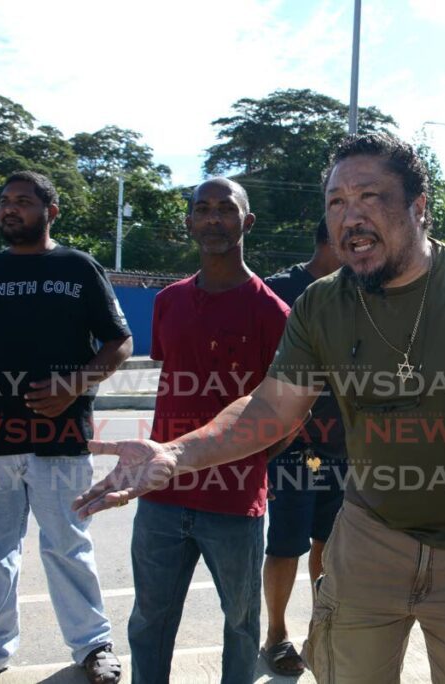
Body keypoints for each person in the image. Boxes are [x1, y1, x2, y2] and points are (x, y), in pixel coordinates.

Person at [73, 133, 445, 684]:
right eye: (336, 202)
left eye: (369, 197)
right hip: (367, 541)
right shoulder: (321, 305)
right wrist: (174, 453)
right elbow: (271, 408)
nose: (349, 216)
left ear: (419, 207)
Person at [0, 171, 131, 684]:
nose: (9, 210)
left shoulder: (79, 268)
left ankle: (93, 647)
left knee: (68, 544)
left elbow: (119, 342)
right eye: (4, 202)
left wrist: (75, 384)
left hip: (61, 440)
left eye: (22, 201)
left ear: (52, 211)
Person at [126, 178, 290, 684]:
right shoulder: (169, 302)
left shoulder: (274, 313)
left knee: (240, 625)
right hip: (161, 492)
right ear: (189, 222)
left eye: (226, 209)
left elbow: (286, 415)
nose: (213, 219)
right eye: (203, 209)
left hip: (234, 503)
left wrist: (249, 460)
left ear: (247, 221)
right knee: (149, 622)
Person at [260, 217, 347, 677]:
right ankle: (276, 635)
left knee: (332, 544)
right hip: (295, 446)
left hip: (347, 443)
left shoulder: (360, 291)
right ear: (331, 239)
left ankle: (324, 629)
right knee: (288, 544)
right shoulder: (280, 290)